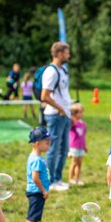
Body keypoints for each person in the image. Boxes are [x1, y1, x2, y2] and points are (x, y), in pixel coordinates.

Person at [41, 42, 72, 191]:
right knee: (53, 149)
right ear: (60, 53)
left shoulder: (63, 70)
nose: (69, 55)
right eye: (67, 52)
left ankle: (57, 179)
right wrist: (60, 109)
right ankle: (50, 180)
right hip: (55, 116)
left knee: (64, 149)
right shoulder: (51, 71)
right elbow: (44, 96)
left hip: (65, 115)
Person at [25, 127, 51, 222]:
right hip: (36, 192)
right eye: (47, 143)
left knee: (34, 216)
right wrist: (43, 190)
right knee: (32, 217)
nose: (49, 145)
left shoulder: (35, 157)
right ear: (37, 143)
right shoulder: (36, 159)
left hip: (36, 191)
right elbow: (35, 178)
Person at [68, 102, 88, 186]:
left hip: (81, 147)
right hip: (74, 146)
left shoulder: (83, 124)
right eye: (79, 112)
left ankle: (77, 179)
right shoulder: (73, 123)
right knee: (74, 163)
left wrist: (85, 146)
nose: (81, 114)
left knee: (79, 164)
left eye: (82, 112)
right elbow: (69, 123)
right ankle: (70, 179)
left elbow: (84, 136)